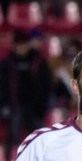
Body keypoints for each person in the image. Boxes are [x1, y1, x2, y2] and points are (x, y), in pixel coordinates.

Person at [0, 30, 52, 159]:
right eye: (18, 45)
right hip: (14, 106)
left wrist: (41, 105)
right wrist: (4, 105)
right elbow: (2, 87)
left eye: (23, 45)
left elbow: (46, 85)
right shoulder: (6, 64)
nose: (21, 48)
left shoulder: (39, 62)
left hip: (35, 107)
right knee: (12, 137)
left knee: (41, 136)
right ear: (14, 46)